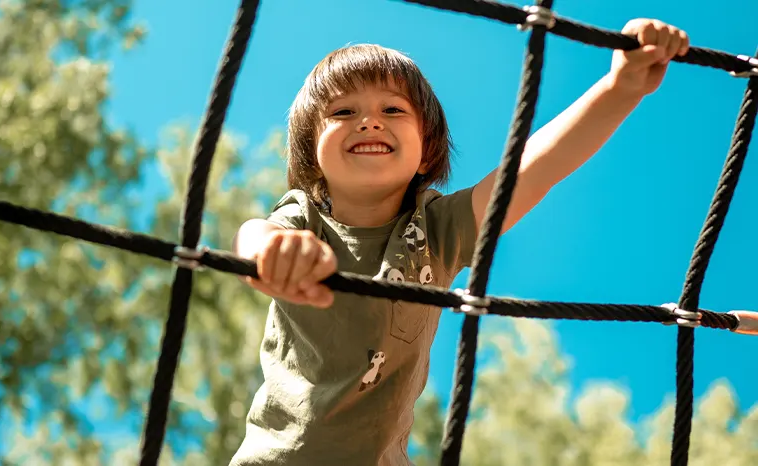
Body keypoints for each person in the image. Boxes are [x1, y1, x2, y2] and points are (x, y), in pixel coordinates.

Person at [229, 18, 690, 466]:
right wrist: (269, 252)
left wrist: (620, 88)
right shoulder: (304, 218)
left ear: (426, 147)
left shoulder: (436, 231)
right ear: (312, 150)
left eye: (393, 110)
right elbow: (255, 232)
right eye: (343, 112)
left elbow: (535, 168)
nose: (369, 121)